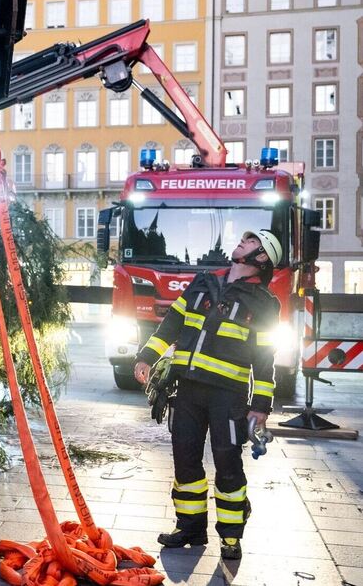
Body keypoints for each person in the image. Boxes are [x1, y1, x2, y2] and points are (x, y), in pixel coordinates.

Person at [133, 230, 283, 561]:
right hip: (187, 391)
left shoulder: (265, 304)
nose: (242, 241)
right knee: (185, 459)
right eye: (244, 238)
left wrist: (260, 407)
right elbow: (171, 325)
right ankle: (190, 528)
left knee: (228, 463)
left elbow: (264, 358)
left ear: (262, 259)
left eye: (252, 241)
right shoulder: (204, 282)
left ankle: (231, 536)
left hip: (228, 398)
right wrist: (146, 357)